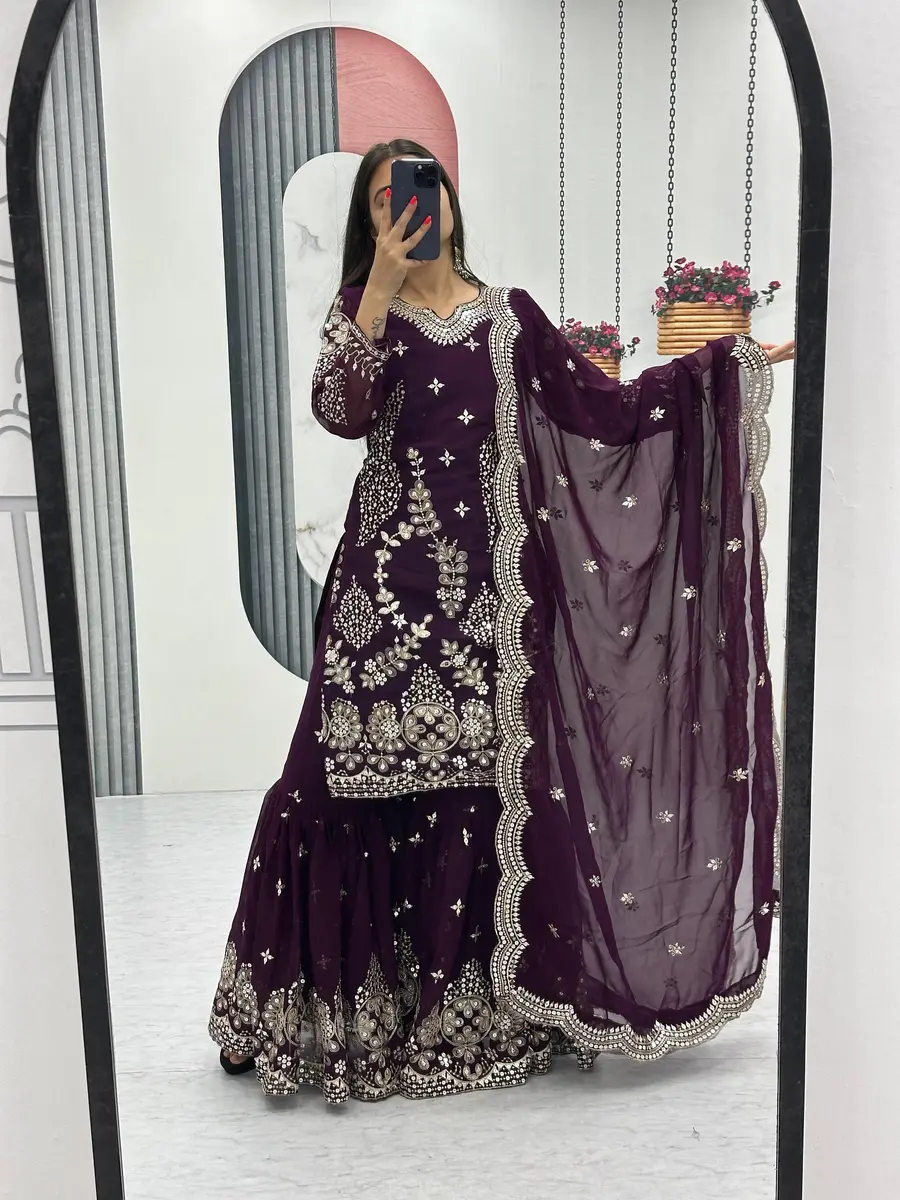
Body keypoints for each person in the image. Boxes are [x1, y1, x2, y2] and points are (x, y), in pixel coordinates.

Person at [209, 137, 794, 1104]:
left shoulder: (506, 319)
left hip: (489, 605)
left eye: (423, 191)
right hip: (380, 604)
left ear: (450, 200)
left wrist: (716, 374)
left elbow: (603, 408)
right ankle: (289, 1012)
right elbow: (339, 410)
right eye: (387, 199)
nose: (410, 209)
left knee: (481, 798)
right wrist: (375, 287)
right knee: (324, 788)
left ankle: (467, 1015)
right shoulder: (365, 313)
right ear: (369, 217)